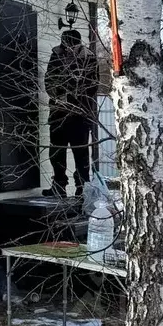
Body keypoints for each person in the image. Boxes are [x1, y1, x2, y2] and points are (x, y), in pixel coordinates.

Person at [42, 28, 98, 198]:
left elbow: (92, 86)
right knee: (56, 152)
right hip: (58, 112)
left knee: (80, 154)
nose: (66, 47)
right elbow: (49, 80)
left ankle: (82, 188)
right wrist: (60, 94)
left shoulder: (88, 58)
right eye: (64, 43)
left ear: (77, 43)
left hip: (79, 115)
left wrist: (73, 95)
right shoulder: (56, 55)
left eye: (69, 44)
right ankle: (59, 186)